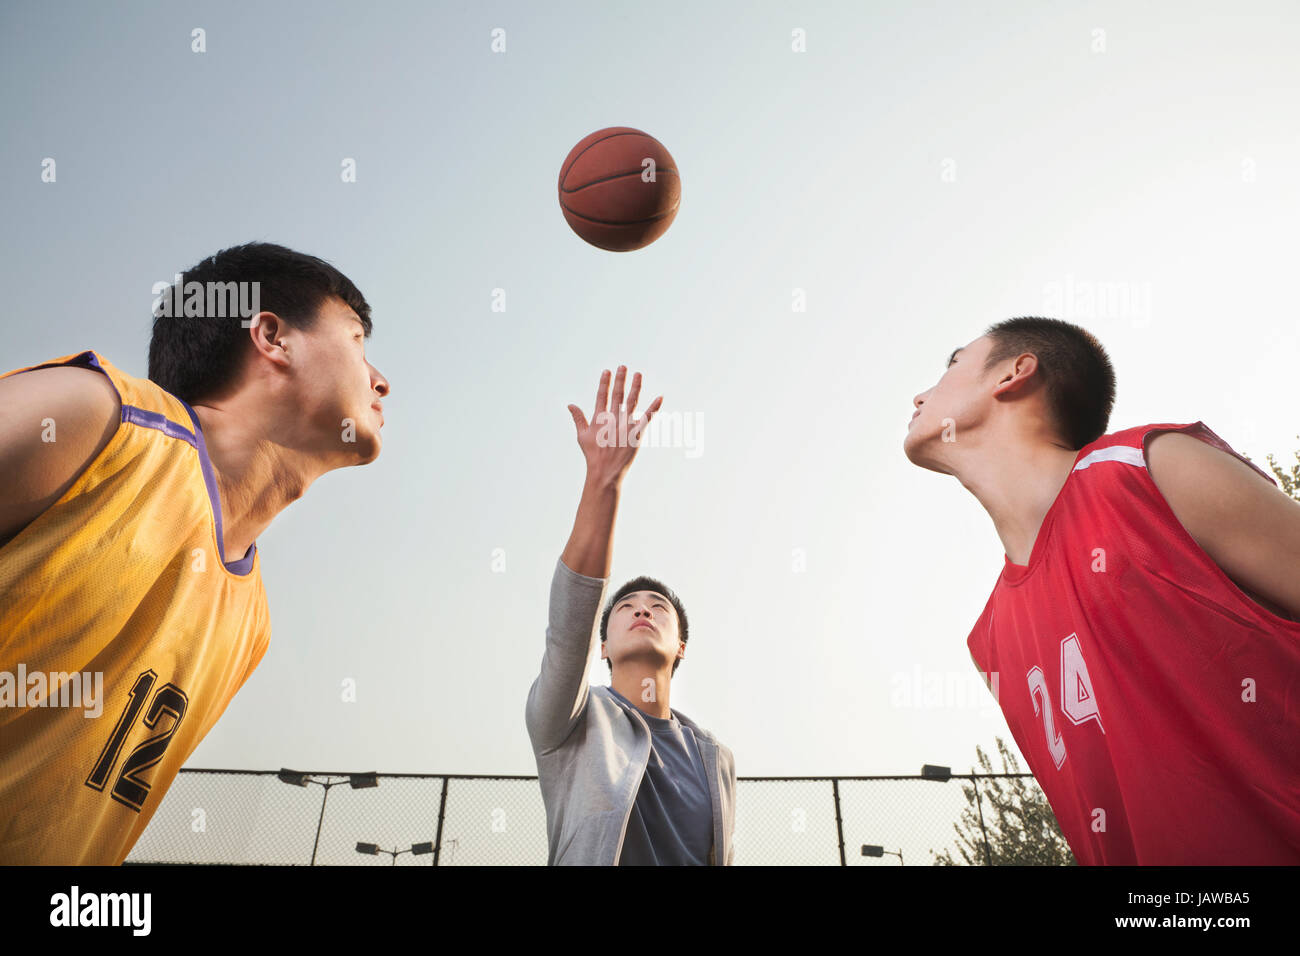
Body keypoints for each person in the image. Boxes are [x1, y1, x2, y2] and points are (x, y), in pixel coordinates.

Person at [0, 242, 389, 864]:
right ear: (272, 336)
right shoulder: (100, 421)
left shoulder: (251, 626)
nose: (380, 380)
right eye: (356, 341)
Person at [903, 315, 1300, 864]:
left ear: (1014, 374)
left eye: (952, 363)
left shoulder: (1149, 471)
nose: (920, 395)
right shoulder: (990, 639)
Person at [525, 366, 737, 865]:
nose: (642, 607)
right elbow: (568, 626)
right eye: (625, 607)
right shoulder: (570, 721)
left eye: (658, 607)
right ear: (601, 647)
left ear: (681, 645)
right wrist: (605, 479)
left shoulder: (714, 758)